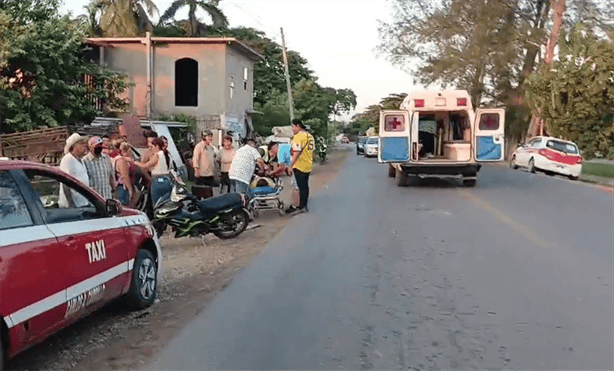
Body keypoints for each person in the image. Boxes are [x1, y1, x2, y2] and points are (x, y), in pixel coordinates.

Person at [286, 119, 315, 215]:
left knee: (301, 187)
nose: (292, 129)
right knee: (305, 187)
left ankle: (302, 207)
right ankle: (304, 205)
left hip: (299, 165)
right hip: (308, 165)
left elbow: (296, 152)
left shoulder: (298, 137)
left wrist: (290, 166)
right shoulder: (310, 136)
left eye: (293, 126)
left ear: (298, 126)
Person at [135, 138, 172, 205]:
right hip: (167, 179)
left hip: (158, 179)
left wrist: (134, 162)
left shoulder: (157, 155)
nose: (151, 148)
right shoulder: (164, 154)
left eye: (152, 147)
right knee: (166, 201)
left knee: (157, 202)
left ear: (157, 146)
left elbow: (145, 165)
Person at [58, 133, 90, 208]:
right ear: (74, 146)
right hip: (72, 204)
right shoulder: (68, 159)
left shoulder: (81, 160)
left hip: (82, 202)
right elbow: (65, 182)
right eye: (81, 143)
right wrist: (70, 204)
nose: (84, 146)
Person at [83, 136, 117, 200]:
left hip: (107, 198)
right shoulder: (85, 161)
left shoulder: (106, 158)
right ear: (90, 146)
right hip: (94, 200)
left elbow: (111, 177)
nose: (99, 147)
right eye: (97, 146)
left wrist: (114, 192)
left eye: (100, 145)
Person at [114, 142, 139, 207]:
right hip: (123, 187)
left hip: (125, 186)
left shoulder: (124, 160)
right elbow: (124, 176)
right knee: (125, 207)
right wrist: (130, 189)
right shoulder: (121, 160)